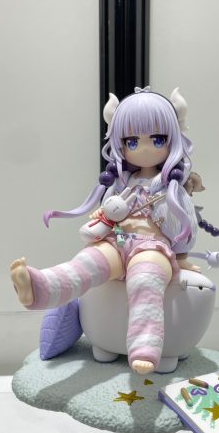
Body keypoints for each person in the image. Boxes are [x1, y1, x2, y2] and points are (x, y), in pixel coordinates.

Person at [11, 87, 200, 374]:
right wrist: (103, 217)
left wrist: (182, 257)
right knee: (86, 263)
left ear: (172, 139)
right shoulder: (121, 183)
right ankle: (40, 287)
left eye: (157, 139)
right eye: (132, 141)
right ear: (120, 143)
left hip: (152, 247)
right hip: (118, 241)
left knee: (145, 279)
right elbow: (110, 213)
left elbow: (186, 221)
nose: (144, 148)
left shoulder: (171, 187)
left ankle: (145, 345)